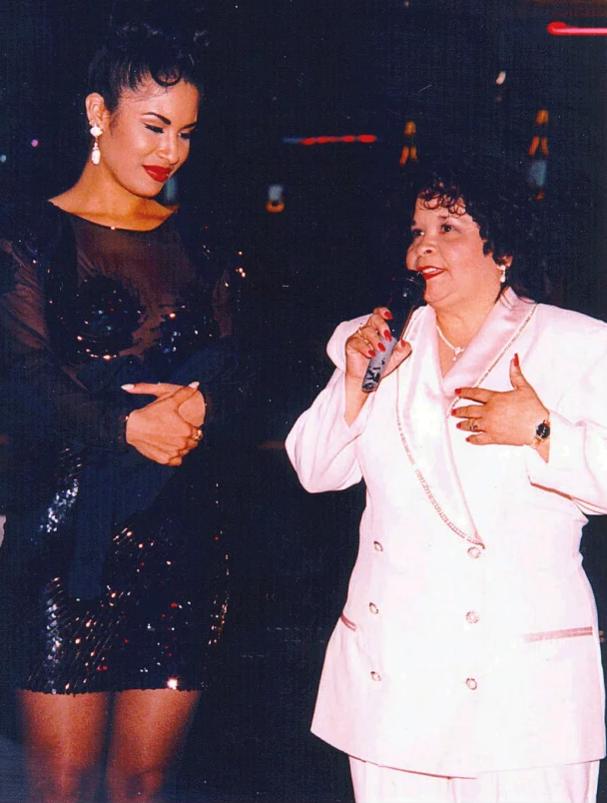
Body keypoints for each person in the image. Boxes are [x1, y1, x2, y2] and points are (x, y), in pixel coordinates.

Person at [286, 161, 607, 803]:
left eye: (448, 228)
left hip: (520, 687)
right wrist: (355, 381)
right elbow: (315, 470)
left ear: (503, 251)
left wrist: (541, 430)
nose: (422, 248)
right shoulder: (374, 343)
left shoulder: (575, 345)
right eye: (417, 231)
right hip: (394, 678)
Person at [0, 10, 241, 803]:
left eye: (186, 132)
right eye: (155, 126)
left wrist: (205, 405)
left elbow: (247, 368)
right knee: (62, 783)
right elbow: (22, 376)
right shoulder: (31, 237)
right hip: (64, 537)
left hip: (181, 536)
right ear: (98, 113)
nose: (171, 151)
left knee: (144, 783)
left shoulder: (204, 240)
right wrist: (123, 424)